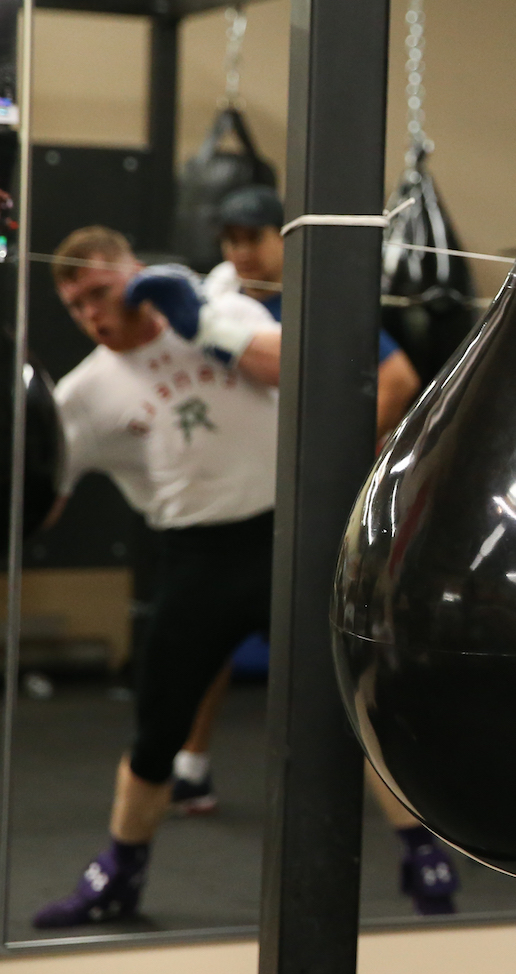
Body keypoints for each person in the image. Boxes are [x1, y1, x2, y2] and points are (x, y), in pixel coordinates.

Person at [168, 185, 458, 916]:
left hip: (310, 514)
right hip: (235, 513)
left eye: (253, 238)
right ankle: (191, 767)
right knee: (206, 645)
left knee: (342, 679)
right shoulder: (221, 304)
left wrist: (333, 460)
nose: (241, 253)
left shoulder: (317, 304)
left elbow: (399, 380)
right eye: (230, 240)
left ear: (281, 239)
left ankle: (420, 846)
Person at [33, 226, 279, 927]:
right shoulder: (81, 394)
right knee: (156, 728)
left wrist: (205, 330)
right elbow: (40, 502)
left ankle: (421, 854)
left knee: (346, 709)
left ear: (136, 274)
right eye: (75, 305)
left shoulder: (220, 313)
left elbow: (306, 368)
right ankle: (119, 876)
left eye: (100, 292)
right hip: (195, 558)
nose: (90, 314)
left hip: (286, 539)